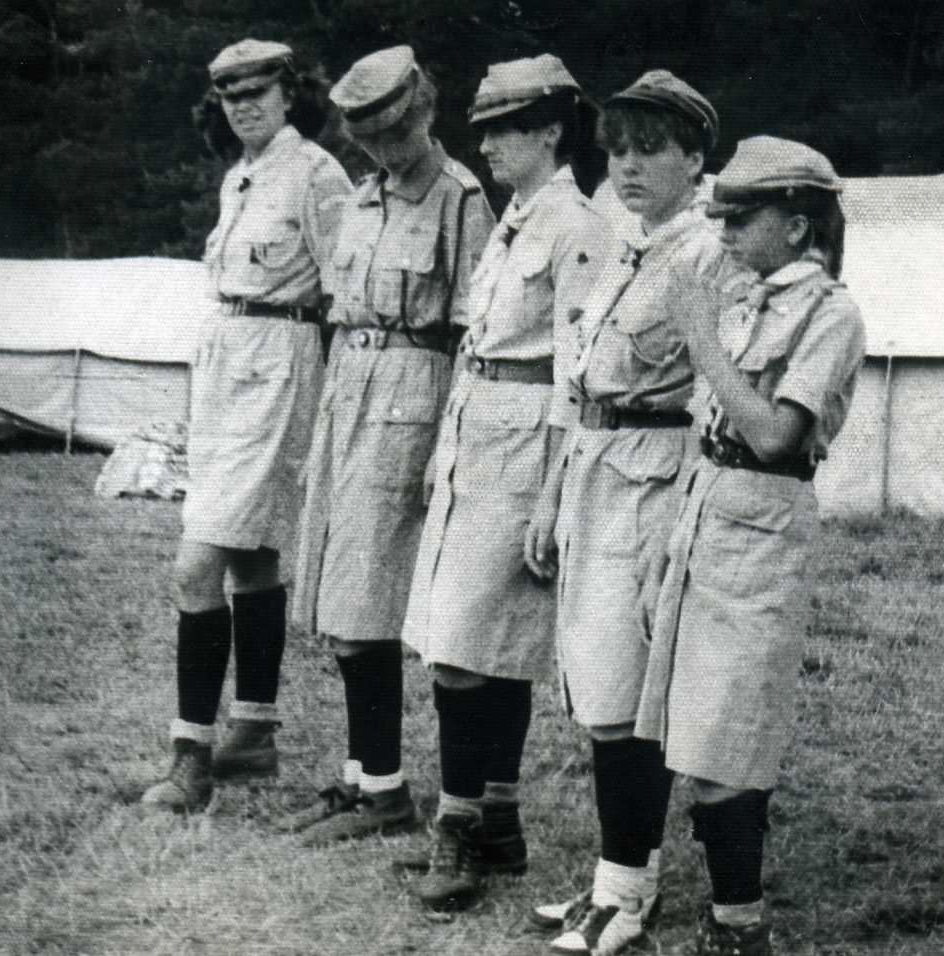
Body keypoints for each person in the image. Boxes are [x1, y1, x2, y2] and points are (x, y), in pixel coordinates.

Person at [526, 72, 750, 956]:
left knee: (624, 695)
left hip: (656, 476)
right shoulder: (624, 246)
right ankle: (613, 882)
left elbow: (713, 401)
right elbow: (579, 380)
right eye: (616, 149)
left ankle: (627, 895)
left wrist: (681, 528)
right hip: (596, 468)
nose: (627, 167)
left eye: (650, 150)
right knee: (596, 687)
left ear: (695, 160)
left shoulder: (708, 257)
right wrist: (550, 492)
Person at [635, 136, 865, 956]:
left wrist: (700, 339)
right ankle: (726, 912)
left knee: (729, 734)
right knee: (696, 726)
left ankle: (739, 925)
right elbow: (711, 428)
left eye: (742, 218)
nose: (725, 232)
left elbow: (772, 434)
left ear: (797, 226)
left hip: (763, 521)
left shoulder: (829, 313)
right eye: (721, 217)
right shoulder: (745, 298)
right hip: (706, 507)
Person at [396, 54, 611, 914]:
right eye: (480, 130)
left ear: (550, 131)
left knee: (464, 647)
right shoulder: (513, 222)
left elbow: (575, 376)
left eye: (502, 129)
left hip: (525, 446)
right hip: (475, 434)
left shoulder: (577, 228)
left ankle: (456, 827)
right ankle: (498, 820)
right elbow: (475, 344)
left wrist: (555, 493)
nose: (484, 145)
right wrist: (438, 448)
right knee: (483, 642)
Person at [283, 45, 497, 847]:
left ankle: (385, 792)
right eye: (367, 139)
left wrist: (448, 442)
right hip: (349, 390)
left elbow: (476, 334)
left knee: (366, 600)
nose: (382, 151)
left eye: (394, 133)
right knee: (339, 592)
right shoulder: (362, 197)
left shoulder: (459, 199)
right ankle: (361, 774)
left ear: (424, 113)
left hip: (413, 396)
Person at [141, 39, 351, 813]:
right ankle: (254, 732)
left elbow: (346, 294)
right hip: (226, 367)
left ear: (290, 94)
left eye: (258, 93)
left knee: (196, 567)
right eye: (231, 97)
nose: (244, 108)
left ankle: (189, 755)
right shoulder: (240, 177)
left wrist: (333, 399)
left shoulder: (317, 176)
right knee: (253, 559)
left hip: (279, 367)